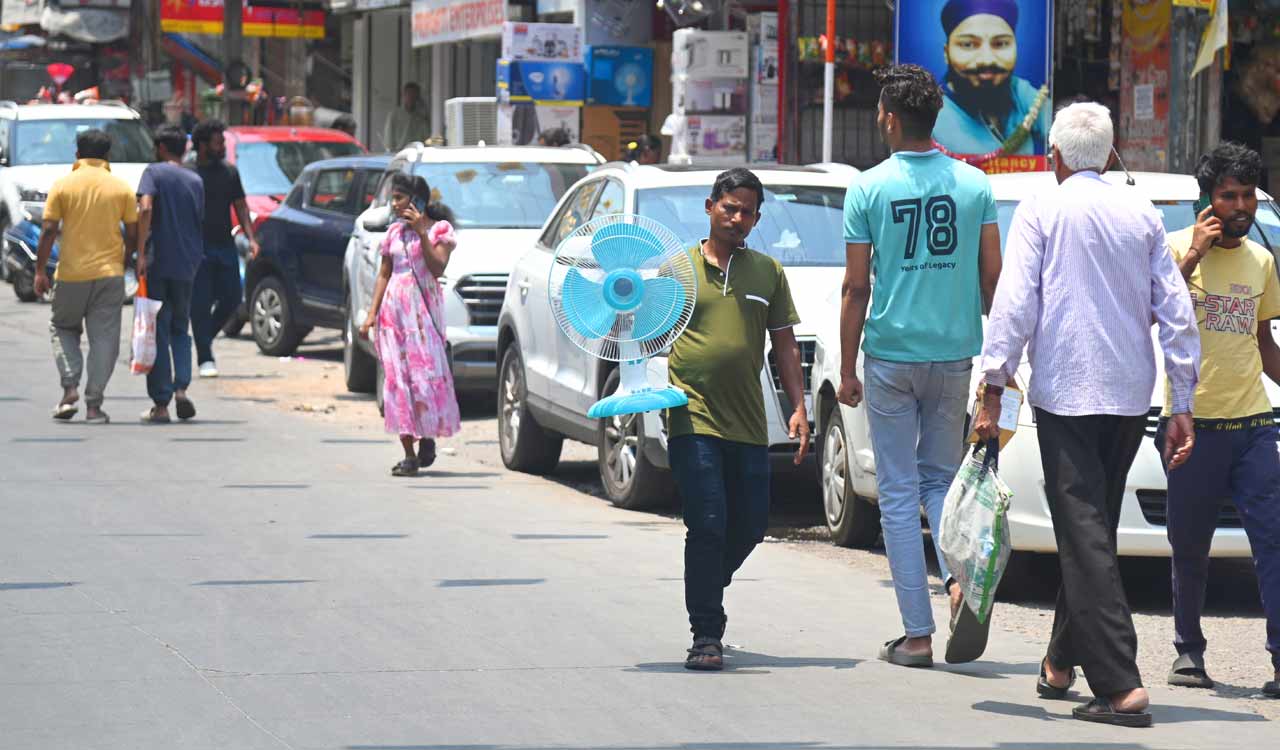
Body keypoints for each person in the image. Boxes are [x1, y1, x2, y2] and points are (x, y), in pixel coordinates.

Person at [975, 102, 1200, 727]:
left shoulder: (1042, 209)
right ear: (1111, 151)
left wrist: (994, 381)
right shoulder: (1141, 211)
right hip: (1130, 396)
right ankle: (1058, 659)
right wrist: (1182, 401)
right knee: (1090, 525)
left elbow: (1014, 304)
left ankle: (1121, 684)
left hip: (1068, 392)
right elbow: (1176, 312)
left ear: (1052, 159)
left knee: (1083, 532)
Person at [837, 64, 1002, 668]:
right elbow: (992, 279)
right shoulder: (974, 186)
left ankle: (917, 634)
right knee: (941, 482)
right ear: (935, 121)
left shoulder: (868, 187)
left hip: (889, 357)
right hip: (954, 354)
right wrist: (998, 362)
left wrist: (848, 368)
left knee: (900, 492)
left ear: (888, 117)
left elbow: (857, 288)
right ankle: (959, 584)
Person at [668, 168, 810, 671]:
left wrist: (799, 407)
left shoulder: (767, 272)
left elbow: (785, 344)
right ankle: (706, 632)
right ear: (710, 207)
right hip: (691, 417)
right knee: (707, 521)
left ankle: (705, 580)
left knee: (749, 525)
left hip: (749, 421)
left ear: (756, 218)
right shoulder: (678, 269)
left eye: (747, 211)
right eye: (728, 207)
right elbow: (643, 332)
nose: (736, 218)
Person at [1156, 142, 1280, 699]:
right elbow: (1151, 314)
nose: (1240, 206)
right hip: (1191, 426)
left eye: (1248, 195)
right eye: (1229, 195)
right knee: (1189, 544)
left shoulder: (1262, 261)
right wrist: (1193, 259)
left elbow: (1263, 341)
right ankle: (1188, 651)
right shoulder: (1173, 249)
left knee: (1272, 542)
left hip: (1253, 426)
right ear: (1207, 200)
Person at [33, 129, 138, 424]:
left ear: (77, 154)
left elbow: (49, 230)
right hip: (110, 275)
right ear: (107, 156)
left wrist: (40, 271)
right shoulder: (121, 188)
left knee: (63, 326)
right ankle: (94, 406)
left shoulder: (63, 186)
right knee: (104, 339)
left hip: (70, 274)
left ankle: (69, 388)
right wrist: (125, 258)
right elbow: (133, 232)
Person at [359, 174, 461, 477]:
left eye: (399, 198)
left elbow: (437, 267)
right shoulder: (393, 234)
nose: (394, 204)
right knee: (397, 380)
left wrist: (421, 232)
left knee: (424, 377)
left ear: (417, 201)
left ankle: (427, 437)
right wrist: (371, 314)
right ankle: (408, 454)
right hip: (394, 315)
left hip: (423, 316)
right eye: (393, 198)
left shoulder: (440, 231)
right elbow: (384, 274)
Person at [136, 125, 206, 424]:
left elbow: (145, 208)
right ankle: (181, 389)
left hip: (159, 261)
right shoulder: (195, 179)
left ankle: (161, 403)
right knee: (181, 326)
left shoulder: (153, 173)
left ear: (162, 147)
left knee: (159, 329)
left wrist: (140, 251)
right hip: (188, 262)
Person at [932, 0, 1050, 156]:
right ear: (946, 53)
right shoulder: (931, 112)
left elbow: (1061, 132)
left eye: (1000, 44)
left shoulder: (1021, 93)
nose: (987, 59)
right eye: (968, 44)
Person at [190, 119, 259, 379]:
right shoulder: (190, 173)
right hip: (197, 247)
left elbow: (241, 206)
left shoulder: (229, 172)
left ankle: (202, 338)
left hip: (224, 245)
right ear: (203, 145)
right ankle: (205, 356)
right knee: (200, 302)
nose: (222, 147)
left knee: (232, 297)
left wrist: (251, 238)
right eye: (218, 142)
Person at [383, 82, 429, 152]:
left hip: (416, 151)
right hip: (398, 151)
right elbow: (388, 137)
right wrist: (390, 151)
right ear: (404, 95)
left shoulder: (421, 117)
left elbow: (426, 137)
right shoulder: (394, 114)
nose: (411, 97)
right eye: (409, 94)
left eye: (414, 95)